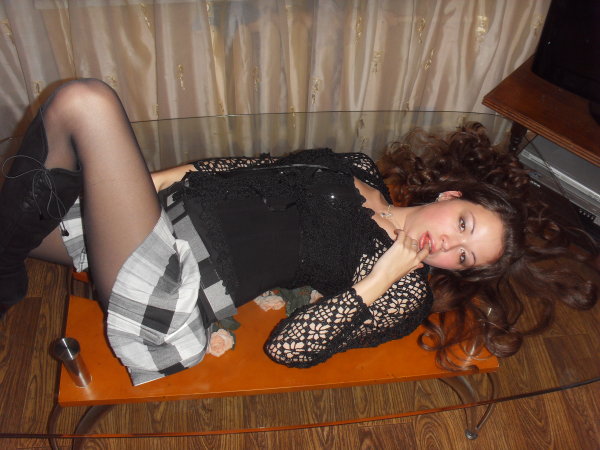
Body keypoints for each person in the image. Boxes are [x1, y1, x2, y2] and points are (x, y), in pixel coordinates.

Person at [0, 79, 595, 385]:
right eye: (464, 226)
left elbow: (289, 348)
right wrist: (154, 180)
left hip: (173, 287)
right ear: (450, 197)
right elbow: (254, 167)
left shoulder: (404, 293)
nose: (450, 247)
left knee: (84, 103)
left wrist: (383, 274)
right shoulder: (359, 167)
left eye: (464, 258)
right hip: (156, 219)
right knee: (19, 211)